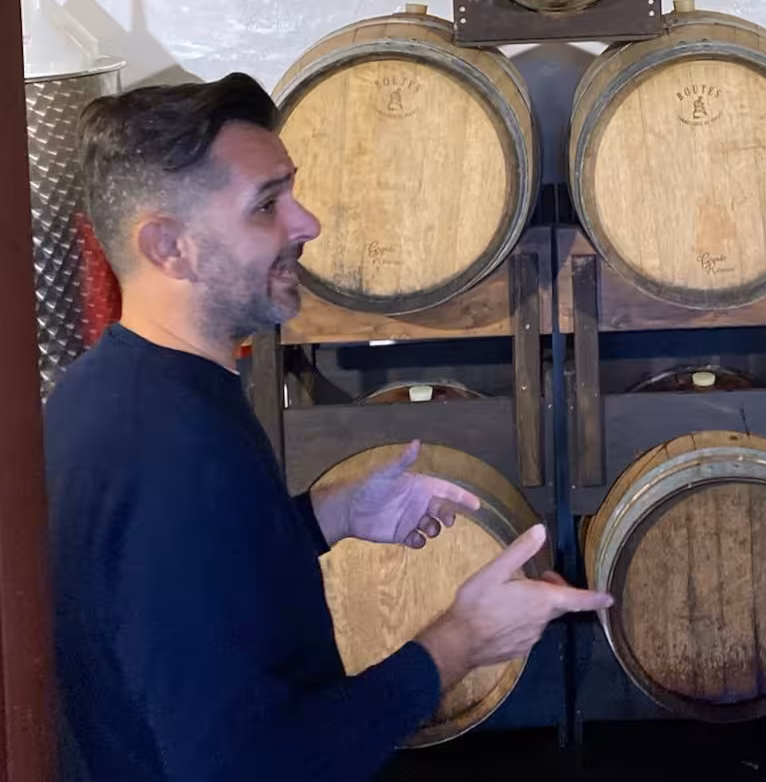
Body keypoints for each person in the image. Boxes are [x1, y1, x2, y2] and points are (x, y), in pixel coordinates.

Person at [46, 75, 610, 782]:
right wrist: (461, 640)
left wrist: (325, 517)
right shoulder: (173, 455)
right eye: (267, 205)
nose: (306, 223)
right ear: (169, 247)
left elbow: (182, 583)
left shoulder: (116, 391)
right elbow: (248, 767)